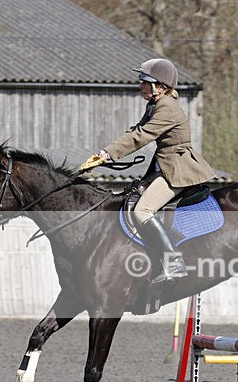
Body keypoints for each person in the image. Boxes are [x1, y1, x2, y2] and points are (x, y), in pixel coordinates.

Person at [78, 58, 216, 283]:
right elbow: (136, 130)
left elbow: (141, 137)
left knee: (143, 211)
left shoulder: (168, 109)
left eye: (145, 81)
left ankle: (174, 262)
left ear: (160, 86)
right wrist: (105, 152)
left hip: (178, 169)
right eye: (141, 81)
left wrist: (107, 154)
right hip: (163, 164)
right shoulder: (155, 104)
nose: (140, 85)